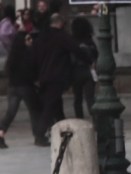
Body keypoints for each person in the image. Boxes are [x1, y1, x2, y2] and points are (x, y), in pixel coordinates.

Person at [31, 14, 92, 147]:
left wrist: (35, 77)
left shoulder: (41, 38)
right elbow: (76, 50)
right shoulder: (62, 36)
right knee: (51, 105)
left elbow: (33, 58)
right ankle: (40, 134)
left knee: (56, 105)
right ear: (60, 23)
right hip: (57, 76)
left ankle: (63, 130)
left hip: (43, 77)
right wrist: (89, 61)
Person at [0, 32, 41, 149]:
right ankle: (39, 136)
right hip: (26, 87)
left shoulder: (12, 57)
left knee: (11, 112)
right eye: (28, 39)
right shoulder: (28, 55)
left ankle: (0, 134)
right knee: (35, 111)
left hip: (12, 88)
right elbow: (31, 72)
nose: (31, 41)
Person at [70, 18, 98, 120]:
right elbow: (95, 54)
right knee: (90, 97)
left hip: (76, 71)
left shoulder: (73, 41)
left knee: (77, 99)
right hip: (89, 70)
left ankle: (79, 119)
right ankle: (95, 119)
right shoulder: (89, 41)